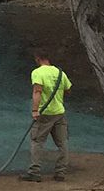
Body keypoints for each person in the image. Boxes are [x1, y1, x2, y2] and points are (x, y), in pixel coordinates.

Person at [21, 53, 72, 182]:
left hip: (45, 113)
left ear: (37, 58)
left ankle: (35, 172)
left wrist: (35, 110)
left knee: (37, 141)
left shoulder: (38, 73)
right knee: (62, 143)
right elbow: (68, 89)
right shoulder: (60, 73)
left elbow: (37, 91)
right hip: (59, 112)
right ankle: (60, 173)